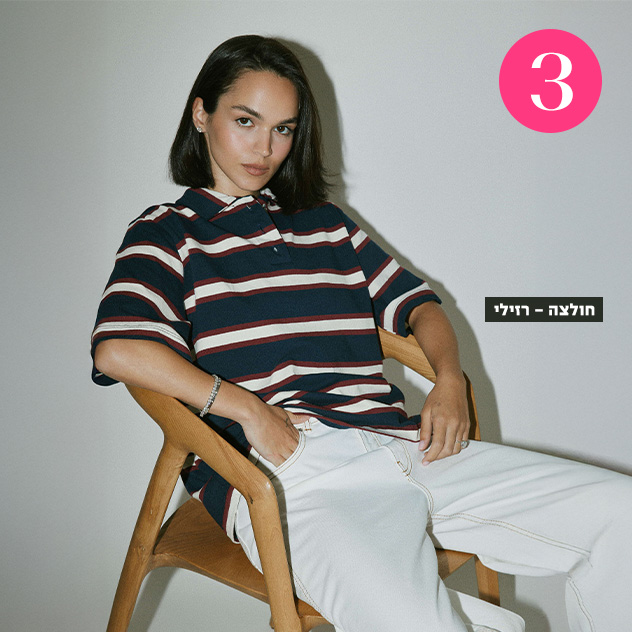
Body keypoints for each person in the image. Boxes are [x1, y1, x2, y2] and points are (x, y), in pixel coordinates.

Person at [91, 35, 631, 632]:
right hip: (294, 475)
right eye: (246, 121)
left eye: (283, 129)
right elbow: (120, 348)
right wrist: (247, 410)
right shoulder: (168, 232)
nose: (265, 148)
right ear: (201, 114)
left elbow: (420, 307)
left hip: (406, 446)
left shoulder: (324, 224)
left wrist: (450, 380)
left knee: (621, 517)